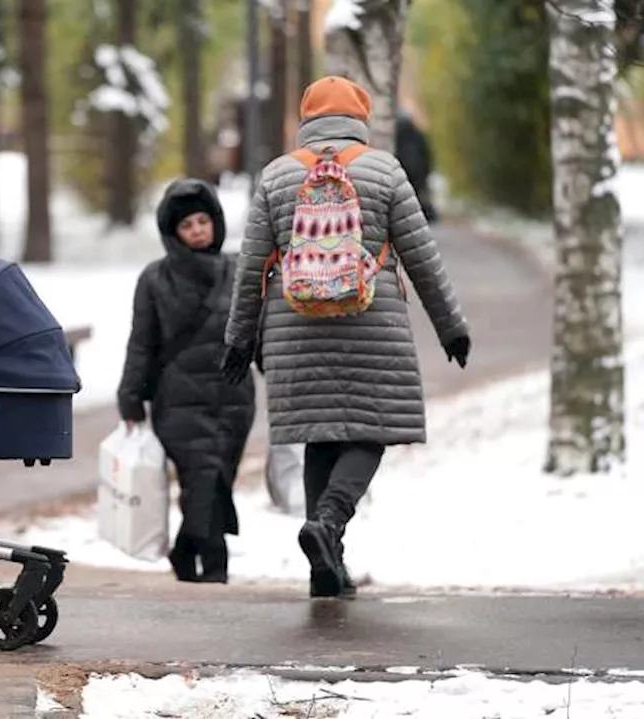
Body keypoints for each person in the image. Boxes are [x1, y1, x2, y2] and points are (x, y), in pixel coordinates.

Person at [220, 76, 471, 599]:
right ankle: (329, 525)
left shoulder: (277, 176)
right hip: (370, 319)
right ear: (360, 116)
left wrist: (239, 339)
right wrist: (451, 327)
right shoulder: (384, 170)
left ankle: (324, 566)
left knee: (321, 435)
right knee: (370, 430)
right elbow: (422, 255)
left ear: (306, 118)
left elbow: (250, 267)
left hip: (294, 324)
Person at [117, 179, 256, 583]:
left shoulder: (240, 270)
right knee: (204, 480)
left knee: (215, 484)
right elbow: (141, 343)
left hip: (234, 401)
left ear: (215, 222)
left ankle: (184, 551)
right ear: (172, 234)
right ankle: (215, 571)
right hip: (177, 403)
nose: (196, 230)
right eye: (186, 225)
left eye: (202, 221)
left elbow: (258, 333)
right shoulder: (155, 279)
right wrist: (130, 397)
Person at [395, 109, 437, 223]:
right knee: (416, 200)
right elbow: (427, 156)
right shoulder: (419, 135)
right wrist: (426, 174)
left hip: (402, 173)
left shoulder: (397, 135)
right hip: (418, 175)